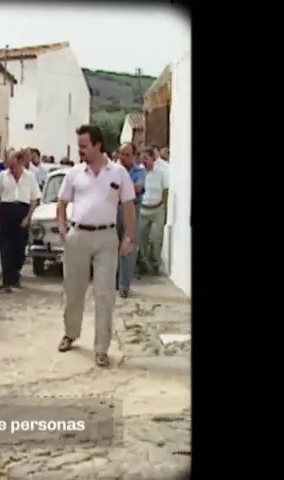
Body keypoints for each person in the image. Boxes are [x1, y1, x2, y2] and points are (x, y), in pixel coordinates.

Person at [56, 125, 136, 368]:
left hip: (106, 238)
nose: (80, 150)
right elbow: (61, 204)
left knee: (104, 295)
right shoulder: (74, 174)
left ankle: (101, 348)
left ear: (97, 145)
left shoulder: (119, 173)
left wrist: (128, 237)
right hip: (78, 235)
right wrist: (62, 229)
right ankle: (71, 333)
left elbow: (129, 208)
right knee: (73, 290)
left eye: (83, 145)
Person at [0, 149, 41, 291]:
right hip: (6, 210)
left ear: (19, 162)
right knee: (6, 247)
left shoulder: (30, 177)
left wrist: (28, 217)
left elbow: (34, 199)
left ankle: (15, 276)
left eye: (12, 162)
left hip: (22, 210)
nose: (10, 166)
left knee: (20, 247)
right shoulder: (3, 175)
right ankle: (6, 280)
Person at [116, 142, 146, 298]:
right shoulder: (113, 170)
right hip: (114, 209)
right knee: (112, 248)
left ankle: (124, 286)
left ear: (134, 156)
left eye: (127, 154)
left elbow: (138, 188)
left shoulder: (139, 171)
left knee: (128, 248)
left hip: (133, 209)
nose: (123, 158)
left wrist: (120, 185)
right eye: (121, 154)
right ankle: (114, 282)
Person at [138, 146, 169, 276]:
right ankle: (143, 263)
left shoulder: (160, 172)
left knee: (156, 239)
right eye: (141, 158)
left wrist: (164, 207)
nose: (143, 161)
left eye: (146, 158)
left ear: (152, 159)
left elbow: (165, 191)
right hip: (142, 210)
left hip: (157, 210)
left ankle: (156, 263)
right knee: (141, 240)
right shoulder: (138, 172)